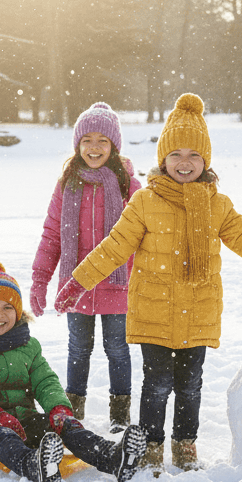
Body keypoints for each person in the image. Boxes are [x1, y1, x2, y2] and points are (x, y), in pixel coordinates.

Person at [55, 93, 242, 472]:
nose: (184, 162)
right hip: (153, 313)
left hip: (198, 314)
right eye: (176, 154)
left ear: (205, 161)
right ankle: (152, 446)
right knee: (156, 385)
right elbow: (113, 248)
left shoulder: (216, 204)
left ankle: (185, 445)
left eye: (194, 155)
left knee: (191, 386)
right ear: (163, 160)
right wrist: (79, 282)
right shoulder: (144, 201)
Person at [0, 261, 146, 482]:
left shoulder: (28, 345)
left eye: (8, 307)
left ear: (18, 312)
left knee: (66, 426)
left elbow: (45, 381)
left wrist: (58, 409)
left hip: (23, 419)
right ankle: (33, 466)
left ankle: (112, 457)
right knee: (2, 436)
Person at [29, 102, 143, 432]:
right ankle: (72, 413)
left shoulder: (129, 187)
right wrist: (40, 280)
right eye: (87, 140)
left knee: (118, 350)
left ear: (114, 146)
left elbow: (143, 240)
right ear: (78, 145)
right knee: (78, 349)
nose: (94, 148)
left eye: (102, 141)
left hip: (119, 285)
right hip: (75, 285)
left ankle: (120, 417)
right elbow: (52, 234)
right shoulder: (68, 184)